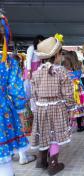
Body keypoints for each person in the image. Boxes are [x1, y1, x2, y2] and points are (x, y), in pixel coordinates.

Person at [30, 36, 76, 175]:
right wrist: (71, 107)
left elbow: (34, 93)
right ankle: (53, 164)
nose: (61, 56)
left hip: (41, 108)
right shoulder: (61, 71)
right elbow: (68, 92)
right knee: (54, 135)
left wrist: (38, 106)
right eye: (61, 53)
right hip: (56, 108)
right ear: (56, 55)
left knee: (43, 133)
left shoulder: (37, 72)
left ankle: (41, 161)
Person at [0, 12, 35, 176]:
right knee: (4, 160)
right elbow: (15, 89)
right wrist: (20, 111)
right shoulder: (7, 62)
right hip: (3, 111)